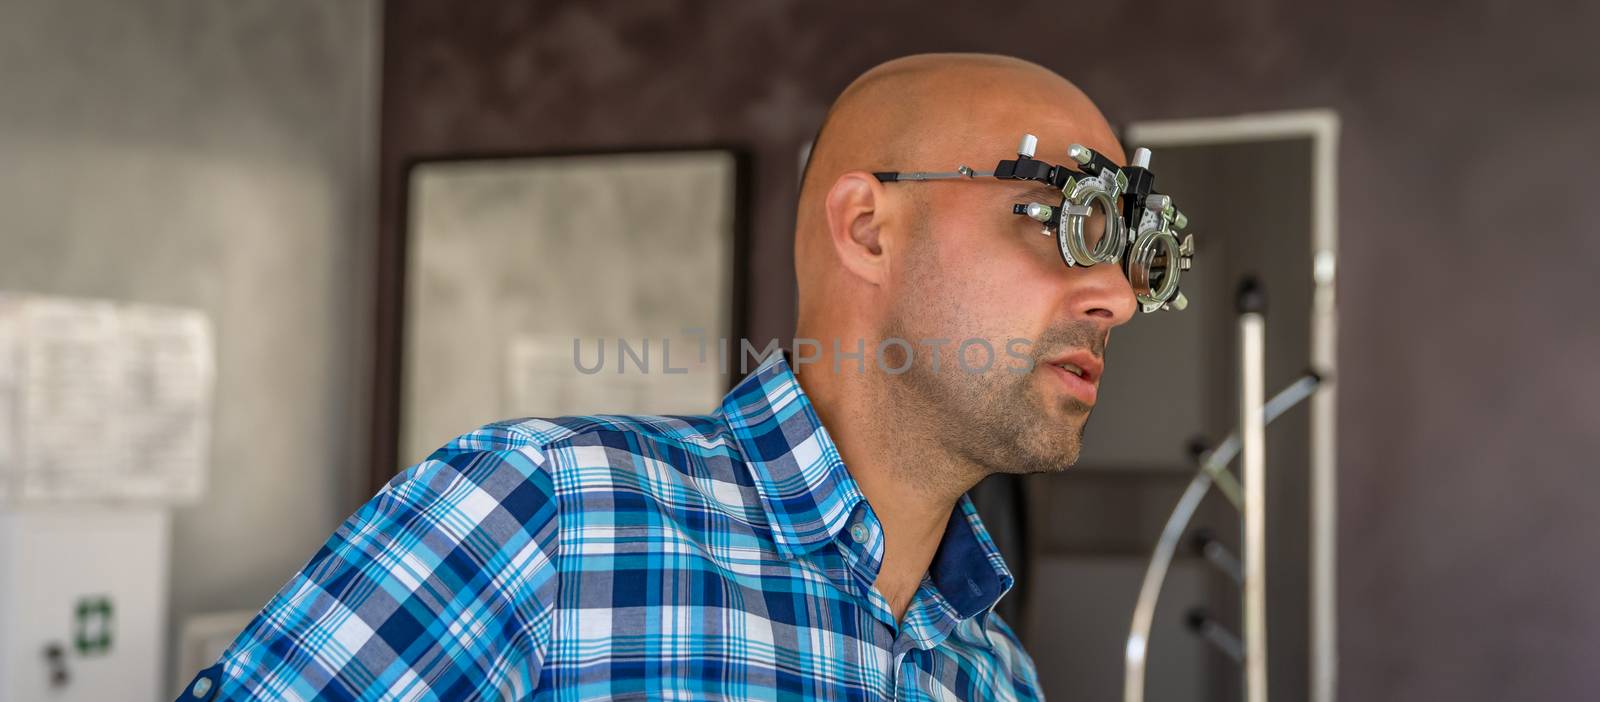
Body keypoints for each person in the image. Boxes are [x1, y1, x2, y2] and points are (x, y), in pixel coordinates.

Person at [178, 52, 1137, 701]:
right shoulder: (545, 513)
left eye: (1134, 253)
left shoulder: (995, 671)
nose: (1119, 298)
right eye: (1068, 221)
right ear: (868, 229)